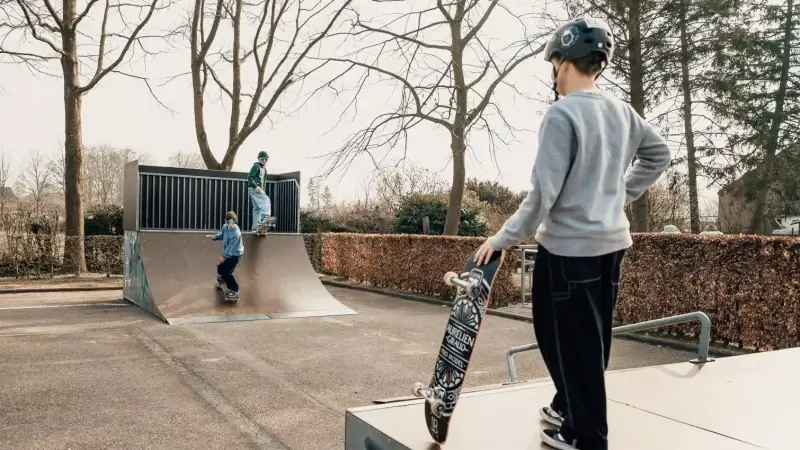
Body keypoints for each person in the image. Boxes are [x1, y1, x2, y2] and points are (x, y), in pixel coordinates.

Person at [472, 17, 671, 450]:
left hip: (568, 250)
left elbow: (543, 194)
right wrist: (618, 193)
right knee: (587, 333)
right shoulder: (622, 111)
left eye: (554, 66)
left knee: (573, 339)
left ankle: (586, 436)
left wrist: (501, 238)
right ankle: (567, 404)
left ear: (561, 64)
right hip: (612, 245)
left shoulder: (562, 114)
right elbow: (659, 155)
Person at [207, 211, 244, 300]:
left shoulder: (236, 233)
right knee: (220, 267)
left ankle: (235, 289)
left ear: (235, 221)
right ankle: (222, 278)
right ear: (226, 221)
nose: (230, 225)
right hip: (228, 253)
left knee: (227, 272)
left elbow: (231, 248)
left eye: (232, 222)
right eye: (228, 222)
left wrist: (224, 257)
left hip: (235, 255)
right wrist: (215, 237)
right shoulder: (225, 227)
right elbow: (222, 235)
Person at [247, 150, 272, 231]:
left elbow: (264, 182)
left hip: (257, 189)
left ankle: (255, 227)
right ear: (258, 159)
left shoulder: (264, 169)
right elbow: (250, 177)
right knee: (266, 200)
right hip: (254, 187)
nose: (264, 161)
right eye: (262, 159)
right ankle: (263, 220)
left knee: (257, 208)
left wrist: (262, 190)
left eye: (266, 159)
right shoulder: (256, 166)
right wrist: (255, 187)